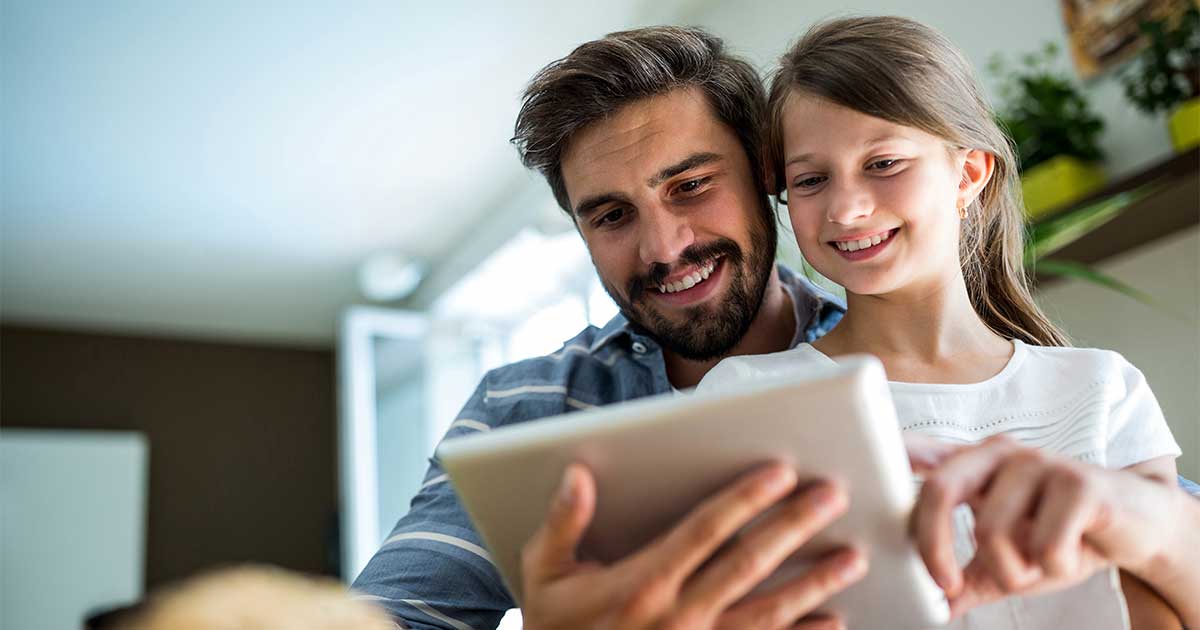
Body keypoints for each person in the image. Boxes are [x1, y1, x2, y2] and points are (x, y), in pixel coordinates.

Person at [352, 26, 864, 630]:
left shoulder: (879, 361)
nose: (663, 249)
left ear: (763, 174)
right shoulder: (522, 409)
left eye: (691, 186)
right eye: (613, 216)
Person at [696, 16, 1198, 628]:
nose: (847, 208)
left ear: (968, 175)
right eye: (810, 180)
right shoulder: (748, 397)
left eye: (883, 163)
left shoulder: (1100, 389)